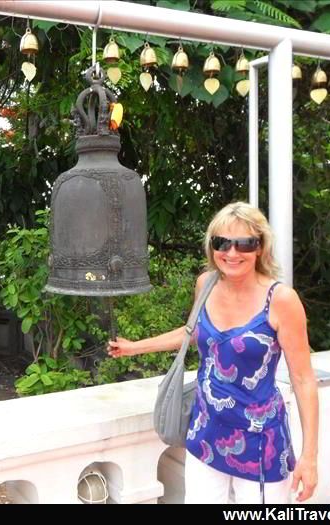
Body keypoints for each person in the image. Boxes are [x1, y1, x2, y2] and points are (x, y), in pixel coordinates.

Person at [108, 202, 318, 504]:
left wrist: (309, 457)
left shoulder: (281, 300)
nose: (232, 253)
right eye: (222, 242)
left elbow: (303, 379)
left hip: (259, 440)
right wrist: (134, 347)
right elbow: (193, 331)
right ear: (212, 246)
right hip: (205, 429)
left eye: (244, 243)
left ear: (260, 248)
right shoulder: (206, 284)